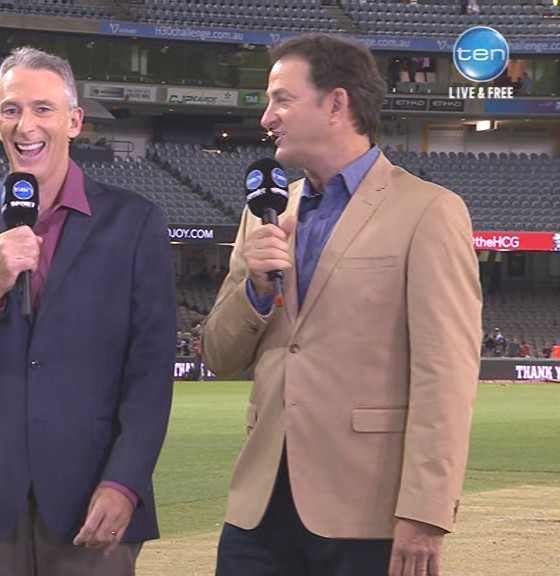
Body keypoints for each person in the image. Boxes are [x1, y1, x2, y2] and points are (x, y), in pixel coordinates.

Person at [201, 34, 481, 576]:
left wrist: (425, 512)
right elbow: (219, 355)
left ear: (336, 104)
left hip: (367, 513)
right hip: (259, 510)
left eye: (282, 100)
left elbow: (445, 376)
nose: (266, 118)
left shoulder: (429, 211)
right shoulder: (264, 214)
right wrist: (255, 289)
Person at [0, 46, 176, 576]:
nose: (25, 125)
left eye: (42, 108)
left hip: (93, 495)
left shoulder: (135, 222)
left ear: (74, 121)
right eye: (11, 109)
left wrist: (125, 482)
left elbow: (150, 371)